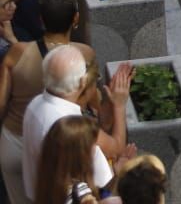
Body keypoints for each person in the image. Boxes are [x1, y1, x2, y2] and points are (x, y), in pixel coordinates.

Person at [1, 0, 93, 203]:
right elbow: (87, 102)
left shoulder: (17, 52)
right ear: (75, 18)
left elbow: (1, 103)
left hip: (14, 142)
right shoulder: (84, 54)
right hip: (56, 149)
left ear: (41, 19)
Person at [22, 47, 121, 204]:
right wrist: (120, 105)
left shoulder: (35, 104)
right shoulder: (71, 127)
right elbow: (115, 150)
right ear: (83, 82)